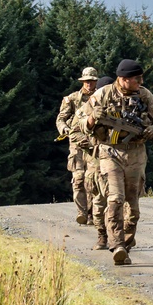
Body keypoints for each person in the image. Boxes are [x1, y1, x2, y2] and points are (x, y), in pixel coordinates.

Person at [83, 60, 153, 266]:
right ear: (124, 79)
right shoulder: (102, 95)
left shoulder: (146, 96)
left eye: (141, 78)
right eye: (137, 78)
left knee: (133, 205)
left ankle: (127, 243)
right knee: (115, 199)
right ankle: (116, 244)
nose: (141, 81)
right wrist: (94, 117)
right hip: (110, 152)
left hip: (136, 153)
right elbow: (84, 126)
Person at [72, 76, 115, 250]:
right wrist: (91, 145)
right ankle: (102, 235)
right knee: (99, 202)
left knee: (120, 201)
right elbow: (74, 133)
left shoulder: (120, 107)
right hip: (96, 163)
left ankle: (120, 236)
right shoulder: (86, 109)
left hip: (118, 161)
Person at [56, 66, 99, 225]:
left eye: (92, 81)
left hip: (95, 144)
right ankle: (82, 212)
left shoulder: (102, 98)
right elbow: (60, 118)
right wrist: (65, 129)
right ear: (82, 81)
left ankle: (94, 213)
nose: (89, 84)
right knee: (79, 178)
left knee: (94, 180)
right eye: (87, 81)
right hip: (77, 144)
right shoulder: (72, 99)